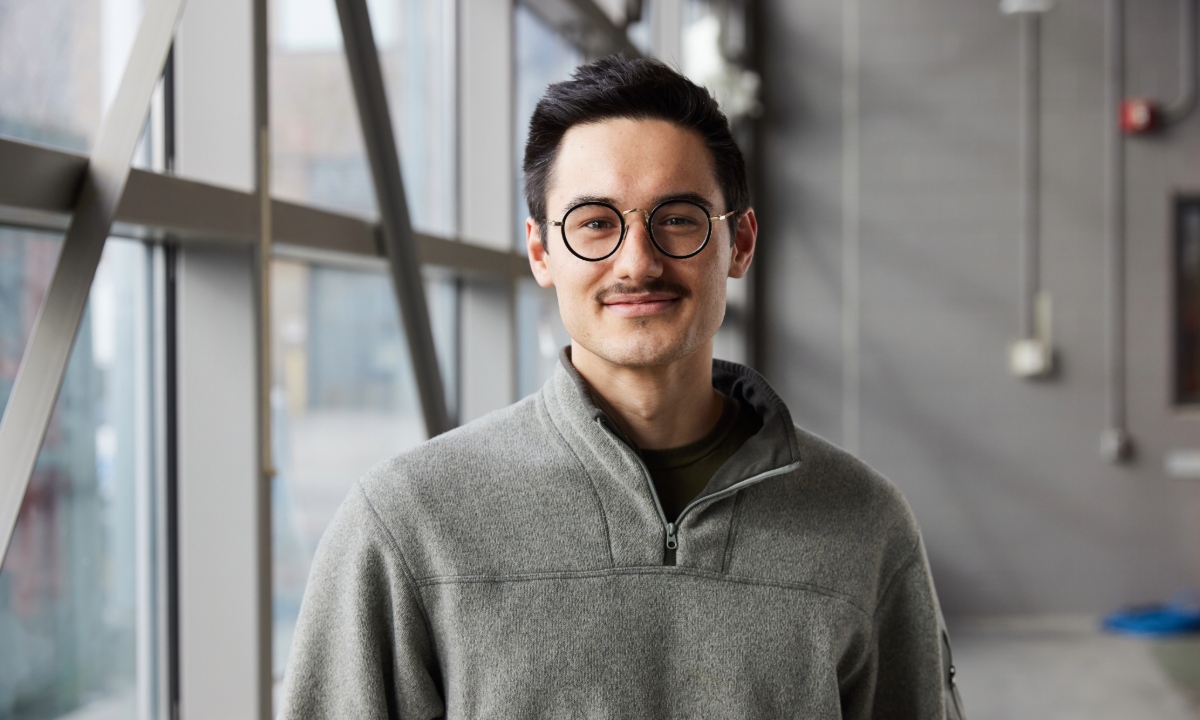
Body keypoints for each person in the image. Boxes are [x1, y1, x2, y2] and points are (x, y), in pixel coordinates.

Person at [280, 55, 966, 719]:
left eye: (677, 220)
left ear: (741, 244)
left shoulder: (865, 523)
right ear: (541, 251)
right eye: (596, 224)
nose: (638, 262)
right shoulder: (406, 524)